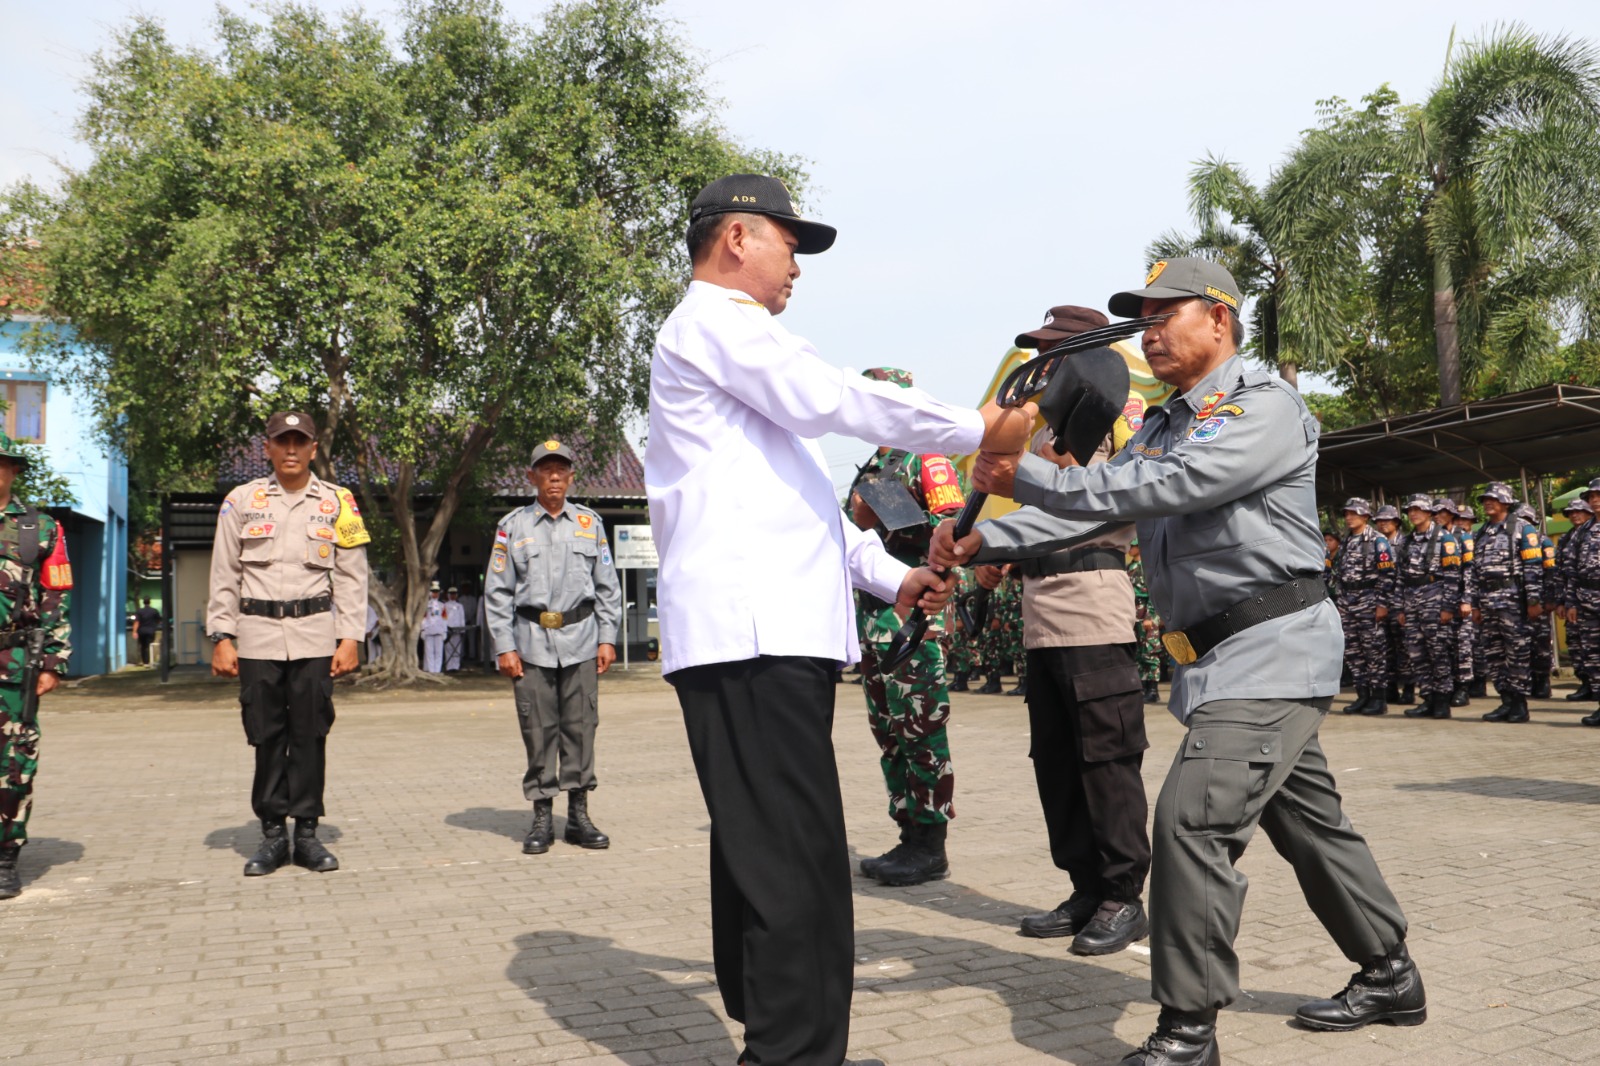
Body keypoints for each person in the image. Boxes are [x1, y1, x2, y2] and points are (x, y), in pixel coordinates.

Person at [934, 257, 1423, 1066]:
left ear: (1220, 320)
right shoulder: (1163, 424)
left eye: (1167, 314)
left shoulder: (1262, 408)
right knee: (1311, 827)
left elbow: (1166, 487)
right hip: (1223, 661)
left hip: (1273, 650)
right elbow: (1102, 513)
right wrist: (989, 534)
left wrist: (1016, 473)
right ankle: (1390, 972)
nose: (1151, 331)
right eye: (1143, 317)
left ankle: (1188, 1030)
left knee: (1191, 820)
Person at [645, 173, 1028, 1066]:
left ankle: (782, 1037)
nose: (797, 268)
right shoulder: (717, 324)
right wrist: (980, 425)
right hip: (752, 635)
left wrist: (891, 580)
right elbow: (833, 397)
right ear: (737, 238)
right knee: (789, 856)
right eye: (789, 243)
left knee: (771, 848)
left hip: (770, 632)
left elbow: (810, 512)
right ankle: (789, 1052)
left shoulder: (740, 360)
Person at [207, 412, 369, 877]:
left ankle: (308, 835)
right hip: (257, 637)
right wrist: (222, 635)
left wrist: (351, 636)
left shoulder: (340, 502)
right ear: (268, 448)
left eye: (301, 441)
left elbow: (353, 576)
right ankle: (274, 835)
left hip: (315, 635)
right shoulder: (241, 501)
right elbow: (225, 572)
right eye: (283, 441)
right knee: (266, 735)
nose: (292, 449)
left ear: (315, 448)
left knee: (310, 735)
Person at [845, 368, 966, 888]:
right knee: (889, 732)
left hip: (915, 620)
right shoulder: (878, 457)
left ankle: (930, 841)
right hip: (876, 616)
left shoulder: (925, 452)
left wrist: (884, 506)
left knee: (920, 729)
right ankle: (907, 831)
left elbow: (955, 527)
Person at [484, 439, 622, 856]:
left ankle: (578, 815)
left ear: (572, 476)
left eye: (562, 469)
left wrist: (607, 637)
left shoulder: (589, 523)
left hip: (580, 641)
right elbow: (497, 592)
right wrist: (504, 646)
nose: (555, 476)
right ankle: (542, 814)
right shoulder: (513, 527)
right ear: (532, 477)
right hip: (530, 644)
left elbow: (607, 587)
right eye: (546, 470)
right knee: (538, 730)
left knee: (581, 728)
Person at [0, 435, 71, 901]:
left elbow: (55, 598)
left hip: (13, 662)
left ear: (13, 470)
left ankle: (5, 857)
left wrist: (52, 662)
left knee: (14, 762)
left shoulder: (38, 528)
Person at [1473, 483, 1542, 723]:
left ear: (1505, 502)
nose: (1488, 503)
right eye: (1485, 500)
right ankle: (1506, 701)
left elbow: (1533, 567)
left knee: (1517, 652)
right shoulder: (1481, 532)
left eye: (1493, 499)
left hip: (1512, 600)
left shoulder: (1522, 528)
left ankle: (1520, 704)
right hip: (1487, 601)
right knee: (1494, 653)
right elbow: (1474, 572)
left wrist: (1533, 599)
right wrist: (1474, 604)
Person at [1334, 498, 1396, 716]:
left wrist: (1382, 604)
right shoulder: (1346, 541)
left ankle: (1379, 698)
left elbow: (1387, 575)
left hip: (1369, 601)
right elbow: (1339, 575)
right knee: (1353, 651)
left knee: (1374, 651)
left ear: (1365, 517)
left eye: (1354, 514)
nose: (1349, 517)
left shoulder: (1378, 541)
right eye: (1347, 514)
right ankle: (1363, 695)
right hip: (1348, 604)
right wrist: (1341, 603)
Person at [1373, 505, 1413, 706]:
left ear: (1396, 522)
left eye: (1387, 520)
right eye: (1380, 520)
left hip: (1399, 602)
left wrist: (1404, 605)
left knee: (1404, 647)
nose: (1383, 524)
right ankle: (1390, 687)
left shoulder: (1405, 543)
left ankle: (1408, 688)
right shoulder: (1374, 543)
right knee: (1384, 648)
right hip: (1378, 602)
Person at [1574, 479, 1600, 724]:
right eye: (1591, 496)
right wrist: (1570, 602)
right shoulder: (1583, 531)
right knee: (1593, 656)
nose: (1594, 500)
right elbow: (1571, 569)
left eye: (1598, 495)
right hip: (1587, 601)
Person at [1129, 540, 1164, 704]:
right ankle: (1143, 687)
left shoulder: (1146, 567)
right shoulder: (1129, 568)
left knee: (1150, 652)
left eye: (1132, 546)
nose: (1129, 549)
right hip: (1134, 613)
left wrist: (1150, 616)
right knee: (1139, 654)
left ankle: (1153, 690)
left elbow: (1154, 592)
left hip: (1147, 614)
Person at [420, 582, 447, 673]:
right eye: (433, 591)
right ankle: (432, 671)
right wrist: (422, 629)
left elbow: (444, 619)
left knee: (439, 652)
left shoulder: (442, 605)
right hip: (428, 630)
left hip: (439, 630)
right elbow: (423, 617)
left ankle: (437, 671)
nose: (435, 593)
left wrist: (445, 631)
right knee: (429, 652)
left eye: (437, 592)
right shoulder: (425, 604)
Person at [442, 586, 466, 672]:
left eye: (454, 594)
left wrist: (463, 629)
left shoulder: (460, 606)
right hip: (449, 629)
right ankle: (449, 666)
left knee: (457, 648)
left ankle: (456, 666)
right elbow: (443, 618)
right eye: (451, 594)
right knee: (448, 648)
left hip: (458, 630)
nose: (453, 596)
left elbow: (462, 618)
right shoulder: (444, 605)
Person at [134, 598, 161, 667]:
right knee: (149, 645)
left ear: (143, 603)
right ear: (150, 602)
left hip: (142, 631)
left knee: (143, 646)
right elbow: (159, 620)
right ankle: (150, 661)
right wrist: (155, 626)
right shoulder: (154, 611)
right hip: (151, 631)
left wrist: (134, 631)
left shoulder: (139, 611)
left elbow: (137, 622)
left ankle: (145, 662)